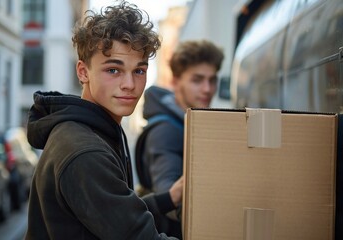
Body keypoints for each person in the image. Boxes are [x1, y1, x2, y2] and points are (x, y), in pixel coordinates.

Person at [24, 2, 183, 239]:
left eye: (139, 71)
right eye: (113, 70)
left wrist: (168, 198)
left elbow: (115, 213)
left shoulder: (94, 130)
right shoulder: (85, 150)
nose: (129, 84)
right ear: (83, 72)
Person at [137, 40, 224, 238]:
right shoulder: (166, 131)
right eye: (197, 80)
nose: (207, 89)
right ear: (175, 82)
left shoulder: (190, 123)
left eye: (212, 80)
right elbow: (168, 192)